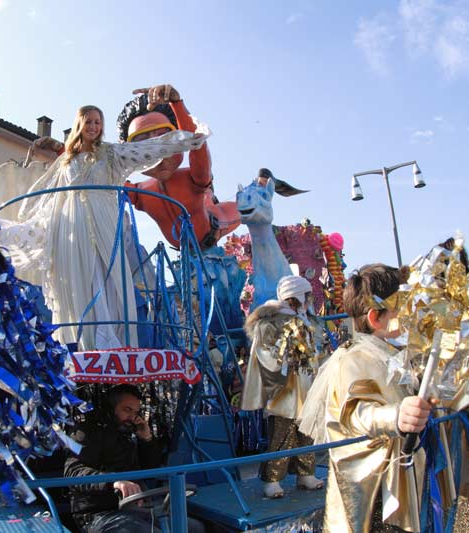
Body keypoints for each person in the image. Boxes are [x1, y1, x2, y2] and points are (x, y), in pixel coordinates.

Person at [0, 101, 205, 350]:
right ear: (79, 125)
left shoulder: (111, 153)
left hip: (104, 221)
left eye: (98, 122)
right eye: (89, 121)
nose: (93, 127)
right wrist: (25, 217)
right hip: (73, 225)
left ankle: (113, 341)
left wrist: (187, 138)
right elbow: (47, 190)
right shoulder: (66, 161)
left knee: (108, 275)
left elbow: (149, 149)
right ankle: (85, 343)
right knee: (79, 276)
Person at [298, 264, 432, 532]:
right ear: (375, 318)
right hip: (375, 493)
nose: (410, 315)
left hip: (404, 479)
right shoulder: (353, 359)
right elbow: (355, 412)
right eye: (402, 308)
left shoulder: (396, 354)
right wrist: (396, 416)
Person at [64, 385, 205, 532]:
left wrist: (147, 440)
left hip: (134, 507)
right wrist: (114, 481)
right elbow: (73, 471)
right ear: (111, 408)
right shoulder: (87, 431)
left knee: (194, 528)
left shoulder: (127, 433)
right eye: (127, 410)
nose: (132, 417)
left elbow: (150, 468)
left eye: (135, 412)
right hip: (97, 513)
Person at [116, 84, 240, 249]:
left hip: (212, 237)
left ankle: (261, 183)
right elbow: (104, 184)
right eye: (144, 143)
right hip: (183, 261)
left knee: (244, 208)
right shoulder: (142, 193)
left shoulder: (192, 178)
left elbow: (196, 143)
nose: (159, 153)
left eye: (165, 138)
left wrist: (177, 105)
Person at [240, 276, 323, 499]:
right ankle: (272, 478)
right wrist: (285, 360)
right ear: (296, 296)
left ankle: (306, 473)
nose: (309, 301)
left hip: (305, 385)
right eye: (306, 296)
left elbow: (314, 350)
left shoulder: (307, 321)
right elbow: (263, 353)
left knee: (307, 432)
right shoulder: (271, 321)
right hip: (284, 388)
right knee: (282, 434)